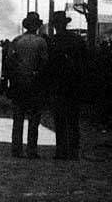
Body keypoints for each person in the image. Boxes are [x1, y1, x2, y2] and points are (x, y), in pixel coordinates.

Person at [6, 11, 48, 158]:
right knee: (34, 119)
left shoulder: (17, 41)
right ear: (37, 26)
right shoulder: (41, 42)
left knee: (18, 118)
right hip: (34, 84)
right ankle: (31, 150)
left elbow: (9, 64)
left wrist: (11, 81)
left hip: (18, 84)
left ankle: (16, 149)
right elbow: (44, 64)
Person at [48, 11, 86, 160]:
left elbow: (48, 66)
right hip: (74, 85)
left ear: (56, 26)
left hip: (58, 85)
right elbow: (85, 62)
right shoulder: (77, 40)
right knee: (73, 120)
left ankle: (61, 151)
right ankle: (74, 151)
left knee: (59, 120)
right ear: (66, 24)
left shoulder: (52, 42)